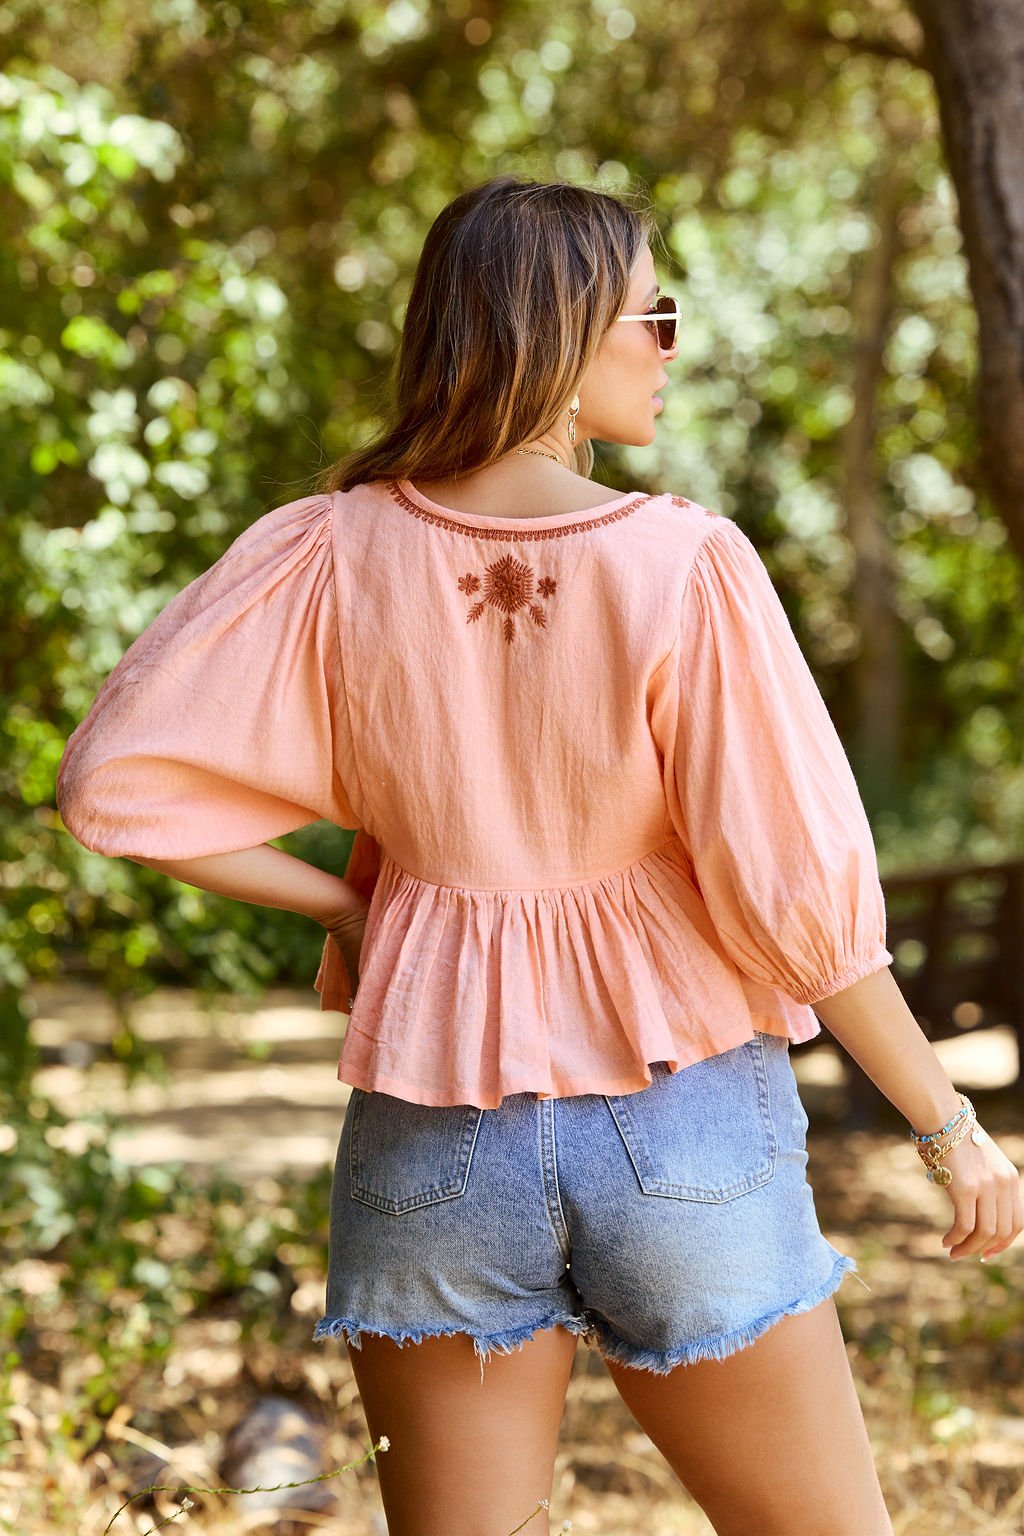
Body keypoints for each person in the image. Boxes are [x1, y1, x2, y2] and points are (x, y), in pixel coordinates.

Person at [56, 174, 1023, 1536]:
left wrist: (353, 903)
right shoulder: (685, 565)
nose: (672, 348)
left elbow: (113, 787)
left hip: (431, 1136)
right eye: (657, 315)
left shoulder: (329, 549)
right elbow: (793, 894)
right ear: (563, 334)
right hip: (680, 1128)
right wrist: (950, 1127)